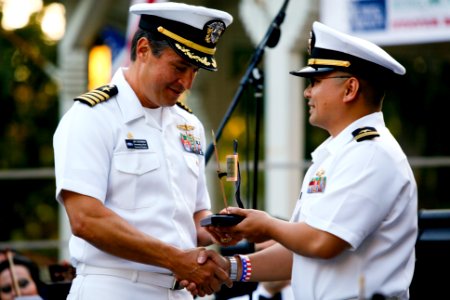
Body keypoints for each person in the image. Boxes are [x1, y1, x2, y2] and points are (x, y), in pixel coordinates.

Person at [196, 21, 418, 299]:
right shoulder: (337, 154)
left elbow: (322, 243)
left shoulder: (370, 153)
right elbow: (300, 253)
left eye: (315, 81)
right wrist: (229, 268)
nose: (307, 92)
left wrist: (266, 225)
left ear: (350, 89)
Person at [53, 2, 234, 300]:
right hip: (115, 287)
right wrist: (175, 259)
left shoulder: (189, 124)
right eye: (179, 67)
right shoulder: (92, 116)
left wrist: (219, 228)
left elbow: (194, 216)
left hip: (182, 290)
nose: (186, 82)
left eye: (195, 71)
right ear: (143, 50)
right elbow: (86, 219)